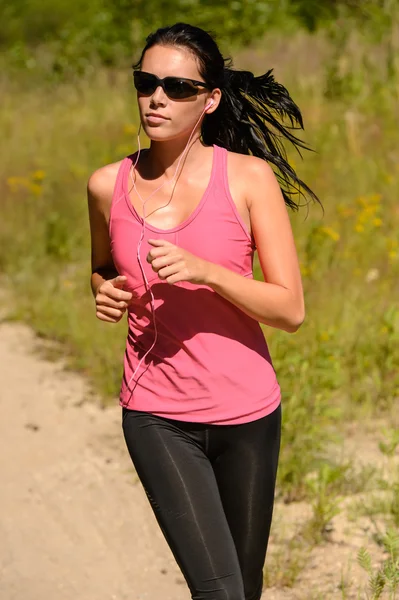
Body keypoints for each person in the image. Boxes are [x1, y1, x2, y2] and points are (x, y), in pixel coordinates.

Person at [87, 22, 321, 600]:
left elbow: (290, 309)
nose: (157, 97)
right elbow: (103, 267)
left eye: (177, 86)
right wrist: (104, 289)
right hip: (156, 413)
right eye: (146, 82)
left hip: (248, 413)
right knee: (219, 593)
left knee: (244, 588)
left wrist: (208, 272)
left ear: (210, 99)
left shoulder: (247, 179)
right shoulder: (105, 185)